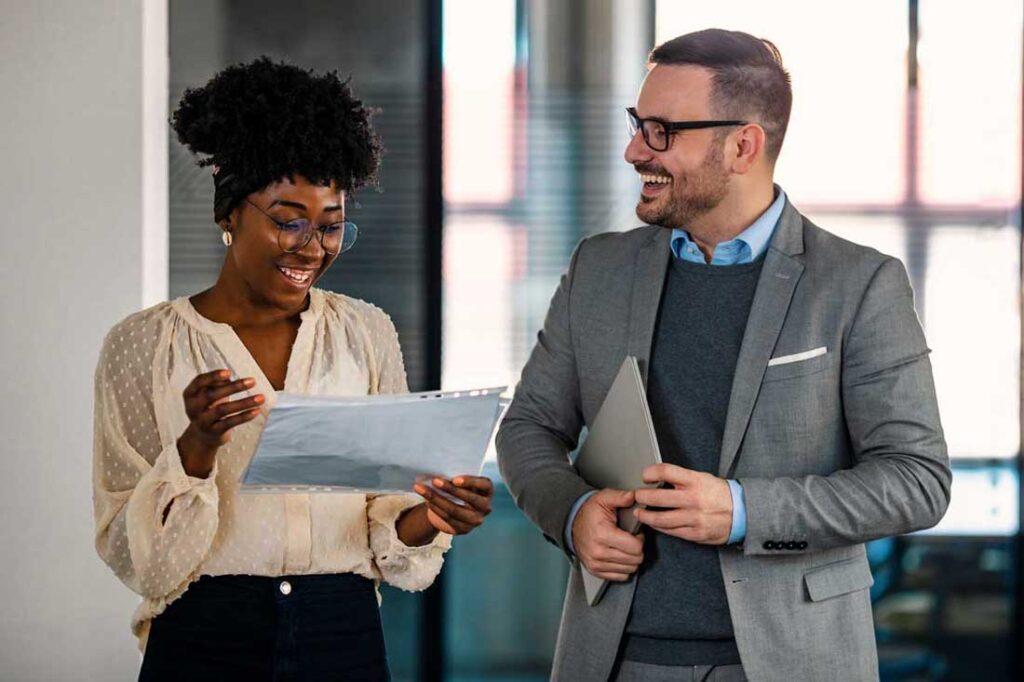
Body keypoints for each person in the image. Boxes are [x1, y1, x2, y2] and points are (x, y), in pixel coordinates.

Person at [496, 29, 950, 682]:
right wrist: (570, 514)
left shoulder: (858, 284)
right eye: (637, 124)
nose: (633, 150)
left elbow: (917, 481)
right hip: (615, 660)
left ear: (742, 145)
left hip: (790, 662)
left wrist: (741, 512)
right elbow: (530, 426)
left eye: (661, 131)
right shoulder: (599, 268)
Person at [92, 57, 493, 681]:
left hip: (343, 631)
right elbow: (136, 556)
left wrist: (433, 516)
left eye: (331, 227)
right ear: (229, 212)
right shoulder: (144, 345)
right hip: (205, 637)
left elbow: (384, 522)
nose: (312, 248)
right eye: (288, 221)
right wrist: (197, 446)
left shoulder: (365, 333)